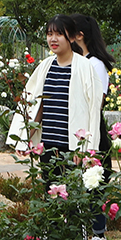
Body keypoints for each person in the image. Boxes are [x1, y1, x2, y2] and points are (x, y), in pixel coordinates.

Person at [12, 14, 101, 164]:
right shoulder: (45, 67)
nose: (53, 39)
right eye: (49, 34)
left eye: (59, 34)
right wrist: (24, 138)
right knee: (50, 186)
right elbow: (37, 106)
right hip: (48, 147)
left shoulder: (85, 68)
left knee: (72, 186)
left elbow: (93, 110)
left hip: (72, 149)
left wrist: (84, 148)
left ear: (72, 37)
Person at [69, 12, 114, 240]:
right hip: (78, 129)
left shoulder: (94, 64)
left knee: (93, 181)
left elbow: (97, 101)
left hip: (91, 130)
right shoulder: (79, 62)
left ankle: (98, 234)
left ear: (79, 35)